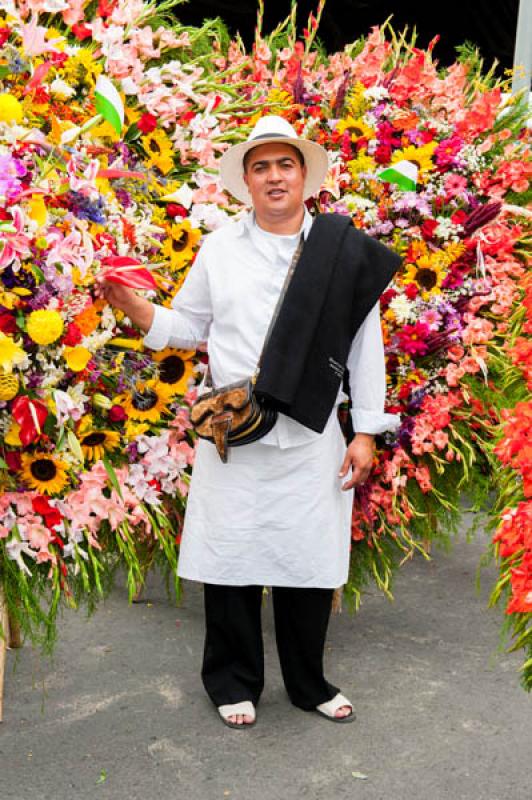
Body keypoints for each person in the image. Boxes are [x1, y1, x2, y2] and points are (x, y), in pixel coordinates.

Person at [100, 115, 401, 729]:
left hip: (312, 432)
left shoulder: (341, 253)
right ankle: (232, 681)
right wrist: (137, 310)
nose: (273, 176)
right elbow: (189, 327)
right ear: (245, 180)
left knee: (308, 558)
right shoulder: (220, 248)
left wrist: (365, 430)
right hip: (231, 431)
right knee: (230, 556)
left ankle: (308, 682)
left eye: (284, 164)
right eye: (260, 166)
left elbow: (366, 346)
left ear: (304, 176)